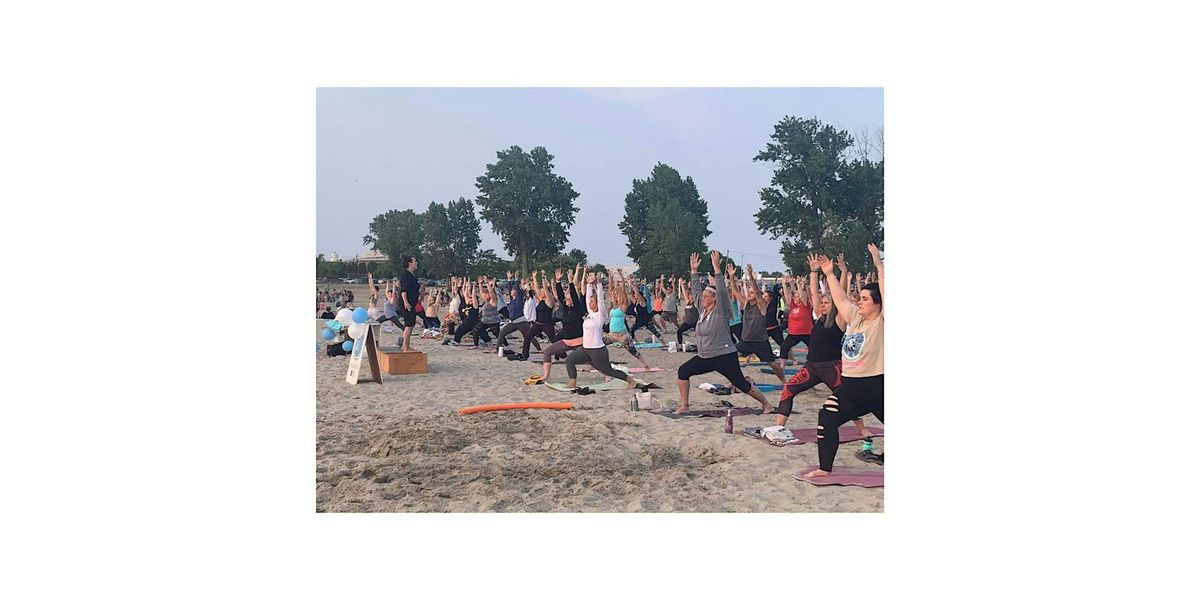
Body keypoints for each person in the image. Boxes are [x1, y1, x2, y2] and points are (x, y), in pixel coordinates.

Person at [804, 244, 884, 479]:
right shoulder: (856, 318)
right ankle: (824, 467)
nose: (859, 302)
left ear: (878, 303)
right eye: (860, 298)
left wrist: (879, 265)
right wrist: (829, 274)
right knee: (826, 417)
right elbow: (839, 299)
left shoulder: (882, 322)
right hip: (850, 389)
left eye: (865, 299)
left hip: (878, 387)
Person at [774, 255, 866, 436]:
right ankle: (779, 427)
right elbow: (814, 294)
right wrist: (814, 271)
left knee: (848, 398)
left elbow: (843, 297)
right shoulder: (817, 316)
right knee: (788, 390)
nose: (823, 305)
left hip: (832, 367)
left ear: (833, 305)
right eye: (822, 303)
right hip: (812, 367)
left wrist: (842, 272)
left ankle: (863, 431)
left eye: (826, 303)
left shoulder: (840, 319)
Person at [674, 251, 775, 415]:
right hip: (705, 356)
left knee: (741, 384)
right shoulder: (702, 310)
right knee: (683, 371)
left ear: (714, 299)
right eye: (704, 296)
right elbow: (697, 292)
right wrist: (693, 271)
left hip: (723, 355)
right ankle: (685, 404)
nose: (703, 298)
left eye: (707, 296)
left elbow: (721, 292)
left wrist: (717, 270)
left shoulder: (721, 311)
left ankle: (767, 404)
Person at [563, 271, 637, 390]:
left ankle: (630, 380)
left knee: (609, 371)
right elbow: (587, 299)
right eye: (590, 302)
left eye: (593, 302)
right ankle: (572, 382)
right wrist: (588, 284)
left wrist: (598, 284)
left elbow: (601, 301)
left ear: (597, 304)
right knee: (569, 361)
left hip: (597, 349)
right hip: (586, 348)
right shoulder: (590, 314)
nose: (590, 303)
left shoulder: (600, 315)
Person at [730, 263, 788, 386]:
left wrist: (750, 276)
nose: (749, 294)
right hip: (746, 341)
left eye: (751, 293)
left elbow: (757, 291)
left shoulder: (761, 305)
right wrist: (731, 277)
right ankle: (736, 381)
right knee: (731, 358)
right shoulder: (745, 304)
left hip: (760, 341)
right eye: (748, 292)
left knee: (772, 363)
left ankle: (784, 382)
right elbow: (735, 291)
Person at [517, 271, 557, 359]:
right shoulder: (540, 300)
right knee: (527, 336)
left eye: (543, 292)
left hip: (547, 325)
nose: (541, 292)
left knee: (554, 340)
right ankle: (525, 354)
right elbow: (536, 289)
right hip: (537, 324)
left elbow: (546, 290)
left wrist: (543, 278)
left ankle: (562, 354)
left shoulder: (549, 301)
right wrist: (534, 278)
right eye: (541, 291)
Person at [778, 273, 813, 367]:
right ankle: (782, 366)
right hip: (794, 333)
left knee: (813, 349)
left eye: (797, 297)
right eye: (795, 297)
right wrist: (784, 284)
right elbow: (787, 295)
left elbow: (802, 296)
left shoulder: (806, 305)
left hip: (807, 333)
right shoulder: (793, 305)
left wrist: (798, 284)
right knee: (784, 347)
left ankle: (811, 365)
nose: (795, 298)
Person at [398, 256, 421, 352]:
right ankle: (405, 346)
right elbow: (404, 290)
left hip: (412, 303)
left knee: (411, 324)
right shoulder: (406, 275)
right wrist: (406, 302)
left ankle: (405, 345)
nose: (417, 263)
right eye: (415, 261)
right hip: (407, 303)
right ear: (410, 263)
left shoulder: (412, 275)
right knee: (409, 324)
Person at [675, 276, 698, 347]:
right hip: (688, 322)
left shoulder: (696, 303)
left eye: (692, 296)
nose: (691, 297)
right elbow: (684, 293)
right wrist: (682, 285)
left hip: (695, 322)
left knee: (700, 334)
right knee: (679, 331)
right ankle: (681, 345)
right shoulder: (688, 302)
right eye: (690, 295)